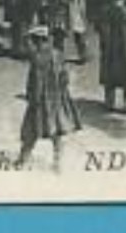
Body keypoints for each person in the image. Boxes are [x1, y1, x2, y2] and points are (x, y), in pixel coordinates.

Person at [16, 25, 82, 171]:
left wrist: (32, 97)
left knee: (30, 131)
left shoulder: (37, 57)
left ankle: (22, 161)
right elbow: (65, 78)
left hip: (40, 100)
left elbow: (35, 81)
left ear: (37, 41)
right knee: (56, 132)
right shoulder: (58, 54)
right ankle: (58, 163)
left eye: (34, 41)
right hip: (56, 100)